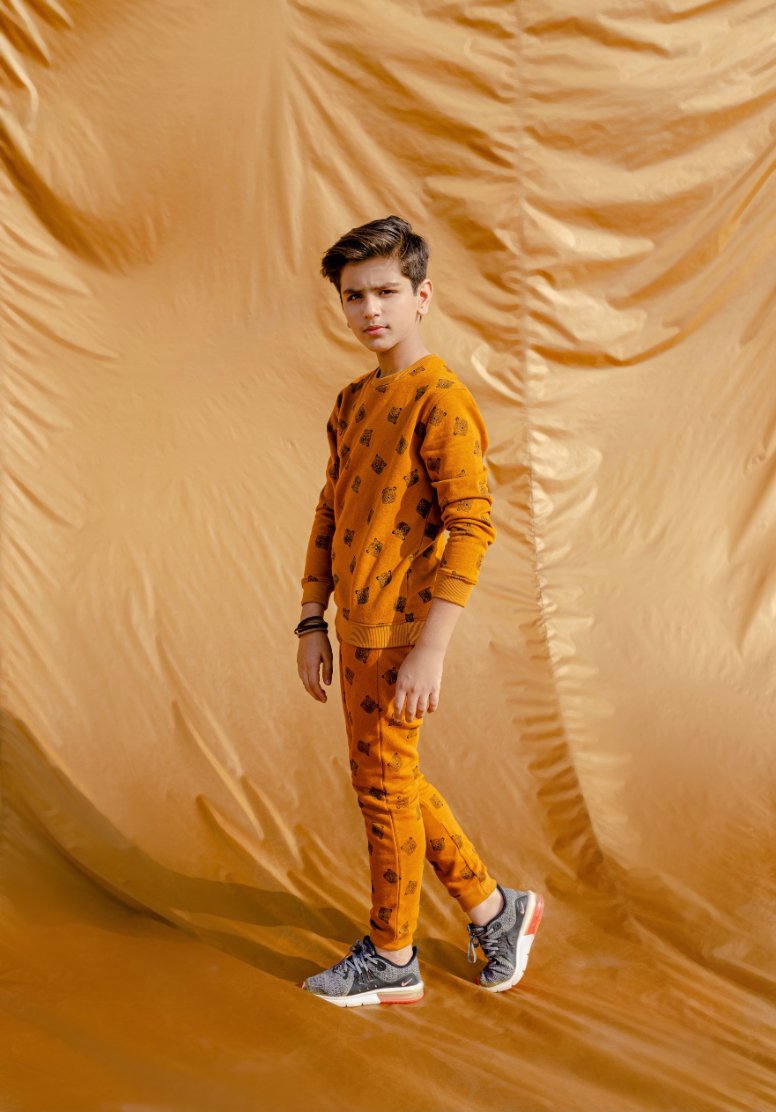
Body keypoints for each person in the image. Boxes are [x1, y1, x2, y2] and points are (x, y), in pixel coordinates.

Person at [295, 215, 543, 1007]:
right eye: (354, 296)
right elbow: (330, 511)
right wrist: (311, 619)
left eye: (386, 292)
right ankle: (495, 910)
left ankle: (392, 954)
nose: (370, 309)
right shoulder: (351, 401)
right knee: (389, 777)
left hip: (403, 636)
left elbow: (473, 525)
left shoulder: (442, 400)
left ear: (422, 296)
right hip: (353, 631)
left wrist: (431, 649)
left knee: (382, 788)